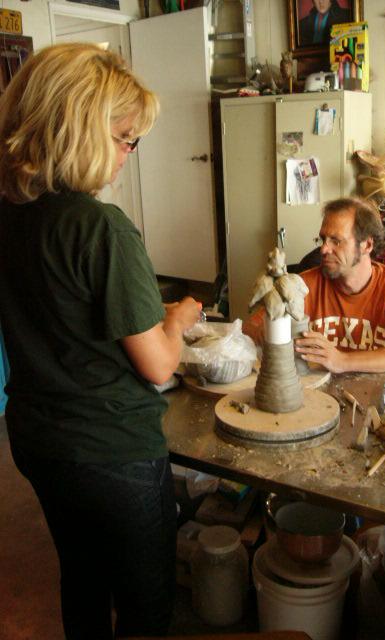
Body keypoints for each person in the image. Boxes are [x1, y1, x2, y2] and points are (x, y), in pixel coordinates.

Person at [0, 43, 202, 639]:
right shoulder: (99, 226)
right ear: (77, 132)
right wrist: (177, 321)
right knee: (146, 606)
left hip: (36, 438)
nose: (127, 154)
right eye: (123, 138)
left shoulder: (9, 216)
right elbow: (158, 367)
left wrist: (146, 313)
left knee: (82, 579)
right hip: (110, 451)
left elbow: (63, 312)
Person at [244, 197, 385, 373]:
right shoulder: (302, 286)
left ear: (367, 245)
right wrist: (272, 333)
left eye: (336, 241)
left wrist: (342, 361)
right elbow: (249, 331)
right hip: (313, 389)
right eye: (323, 239)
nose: (324, 249)